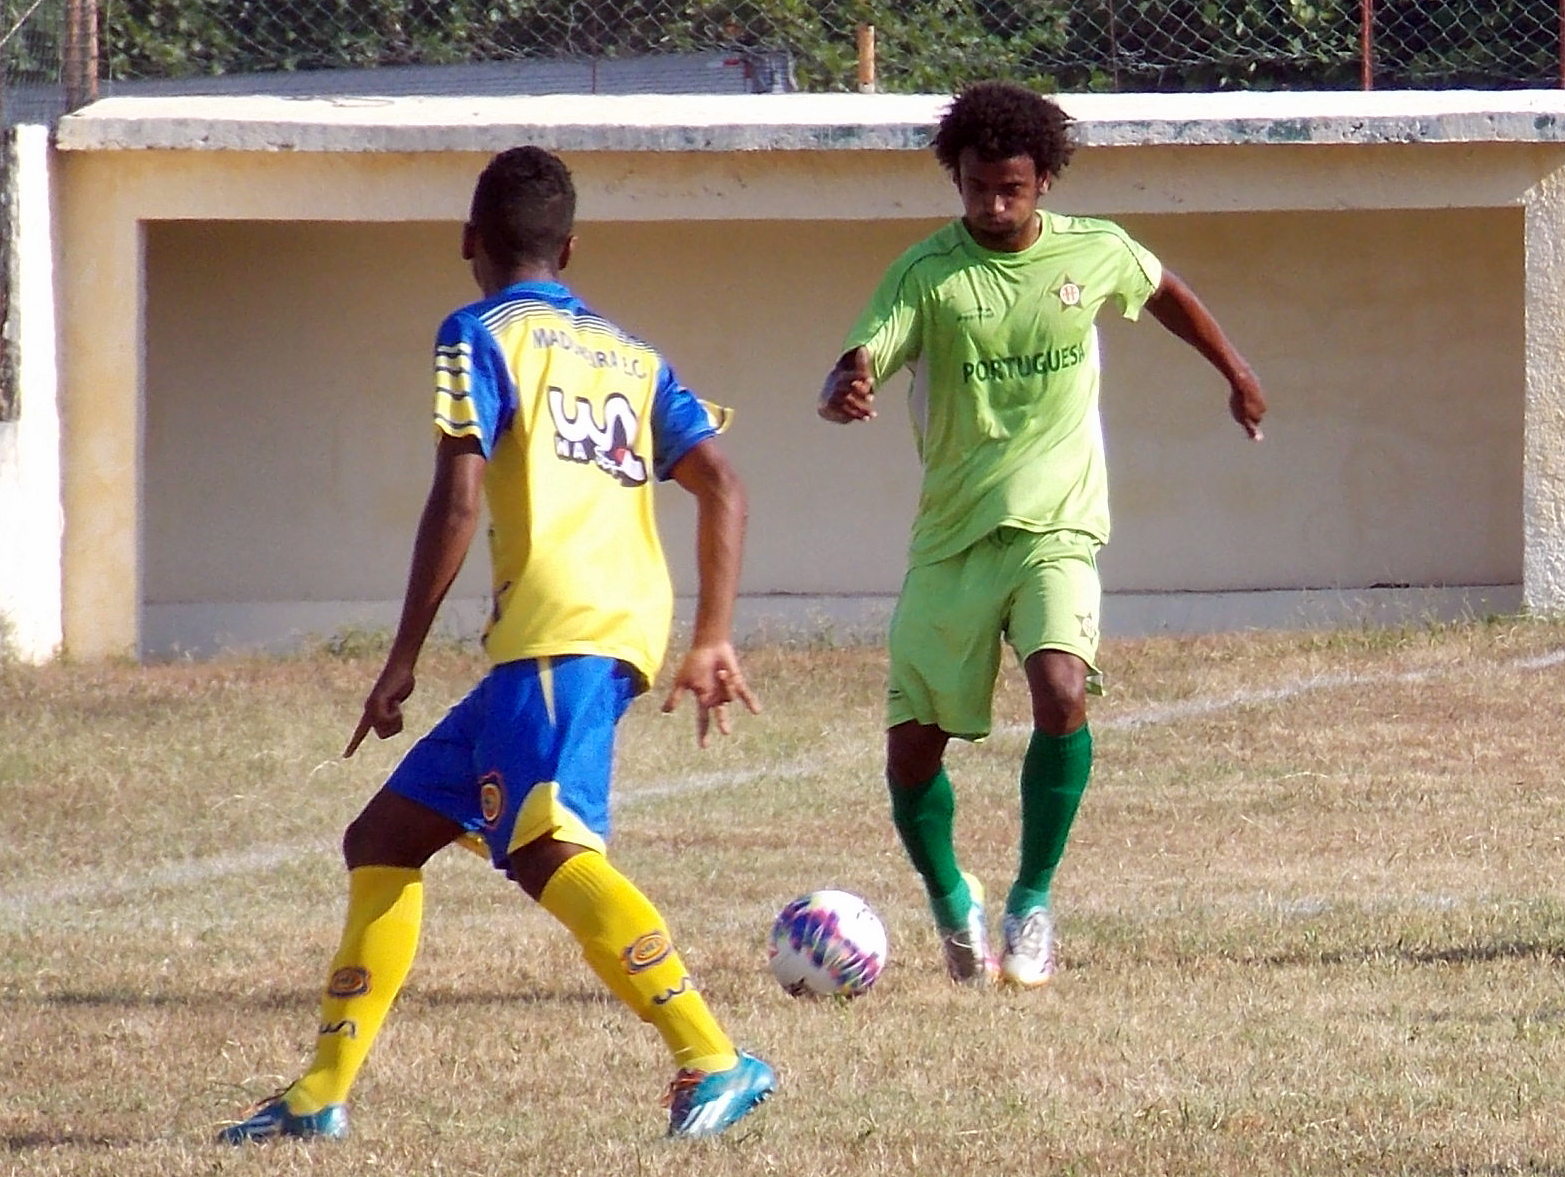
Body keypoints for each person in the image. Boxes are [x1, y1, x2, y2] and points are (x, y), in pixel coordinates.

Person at [219, 146, 774, 1143]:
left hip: (564, 627)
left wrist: (400, 658)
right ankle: (317, 1094)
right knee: (383, 838)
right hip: (586, 629)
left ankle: (713, 1055)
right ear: (568, 248)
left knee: (548, 846)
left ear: (469, 241)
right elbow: (722, 482)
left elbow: (459, 491)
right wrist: (711, 634)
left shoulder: (474, 331)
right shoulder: (631, 353)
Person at [817, 81, 1267, 989]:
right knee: (912, 751)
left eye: (1010, 188)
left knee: (1061, 688)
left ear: (1045, 180)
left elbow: (1164, 289)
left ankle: (1030, 899)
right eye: (977, 186)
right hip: (952, 539)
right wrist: (844, 385)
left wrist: (1236, 371)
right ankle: (951, 894)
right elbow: (866, 351)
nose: (992, 204)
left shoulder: (1092, 252)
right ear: (957, 178)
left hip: (1057, 525)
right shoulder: (927, 275)